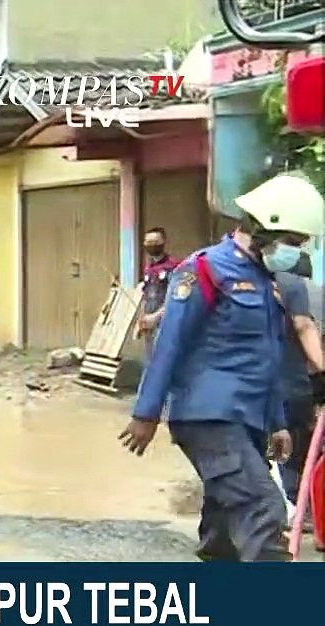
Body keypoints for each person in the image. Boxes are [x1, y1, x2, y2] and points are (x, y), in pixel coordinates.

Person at [120, 173, 325, 562]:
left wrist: (277, 422)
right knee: (264, 510)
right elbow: (170, 344)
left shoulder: (264, 281)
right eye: (293, 243)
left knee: (224, 531)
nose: (296, 253)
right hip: (208, 418)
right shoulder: (204, 270)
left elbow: (264, 359)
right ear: (265, 229)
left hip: (247, 420)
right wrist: (146, 413)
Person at [274, 252, 323, 528]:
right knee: (313, 447)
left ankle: (301, 505)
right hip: (312, 381)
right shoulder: (317, 292)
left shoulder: (277, 290)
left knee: (289, 449)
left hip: (291, 381)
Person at [137, 227, 181, 358]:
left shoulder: (174, 267)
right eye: (148, 242)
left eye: (155, 241)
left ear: (163, 242)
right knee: (150, 359)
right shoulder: (148, 269)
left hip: (166, 323)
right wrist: (142, 317)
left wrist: (156, 317)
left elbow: (174, 297)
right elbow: (145, 295)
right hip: (149, 324)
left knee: (163, 360)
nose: (151, 245)